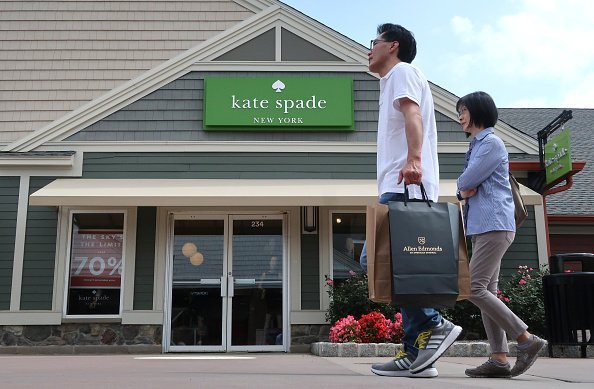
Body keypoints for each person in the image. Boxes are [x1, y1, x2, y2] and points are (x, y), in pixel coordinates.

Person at [362, 23, 462, 378]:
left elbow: (412, 115)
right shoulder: (393, 79)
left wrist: (414, 160)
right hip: (402, 181)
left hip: (405, 183)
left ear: (393, 45)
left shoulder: (402, 72)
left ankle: (435, 325)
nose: (368, 48)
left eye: (373, 42)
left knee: (379, 261)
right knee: (402, 269)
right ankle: (416, 357)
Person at [456, 91, 546, 378]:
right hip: (484, 226)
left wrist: (463, 187)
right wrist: (463, 188)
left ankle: (526, 340)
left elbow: (467, 181)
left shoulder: (491, 143)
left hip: (494, 224)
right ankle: (498, 358)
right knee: (486, 291)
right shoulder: (477, 145)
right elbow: (465, 187)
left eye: (463, 111)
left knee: (474, 288)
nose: (460, 116)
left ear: (478, 112)